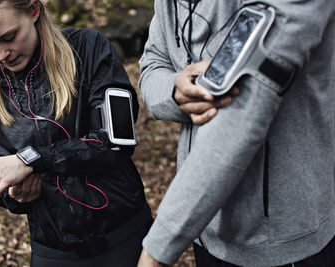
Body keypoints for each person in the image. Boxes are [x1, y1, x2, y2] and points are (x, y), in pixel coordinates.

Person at [137, 0, 335, 266]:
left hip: (282, 238)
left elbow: (244, 108)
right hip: (203, 225)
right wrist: (175, 92)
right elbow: (153, 62)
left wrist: (156, 251)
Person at [0, 0, 153, 266]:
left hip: (124, 234)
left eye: (8, 37)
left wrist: (30, 159)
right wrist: (15, 196)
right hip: (52, 250)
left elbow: (115, 142)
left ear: (34, 10)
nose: (1, 54)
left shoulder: (89, 48)